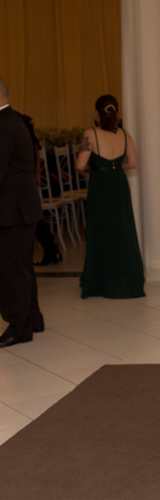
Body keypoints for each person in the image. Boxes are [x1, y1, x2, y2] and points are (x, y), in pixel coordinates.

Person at [74, 95, 144, 298]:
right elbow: (132, 163)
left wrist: (95, 169)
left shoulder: (90, 135)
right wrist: (114, 168)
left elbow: (80, 165)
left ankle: (100, 281)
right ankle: (125, 278)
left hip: (100, 185)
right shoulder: (125, 134)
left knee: (100, 229)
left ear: (97, 113)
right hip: (119, 184)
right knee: (122, 228)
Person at [0, 77, 44, 347]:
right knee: (21, 267)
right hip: (22, 207)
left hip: (11, 211)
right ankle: (33, 318)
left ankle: (19, 327)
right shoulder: (15, 120)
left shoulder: (3, 124)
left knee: (10, 270)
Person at [15, 112, 61, 266]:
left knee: (31, 220)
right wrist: (37, 176)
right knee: (33, 219)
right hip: (27, 182)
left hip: (20, 184)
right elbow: (37, 159)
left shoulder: (19, 138)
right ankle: (51, 250)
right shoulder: (30, 139)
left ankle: (50, 250)